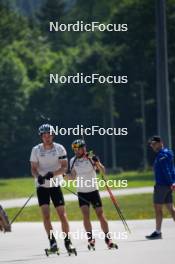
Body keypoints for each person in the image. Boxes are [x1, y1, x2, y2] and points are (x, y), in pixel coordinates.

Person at [30, 124, 75, 253]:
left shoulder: (59, 148)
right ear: (41, 137)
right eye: (44, 135)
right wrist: (38, 176)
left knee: (62, 215)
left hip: (55, 184)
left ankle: (67, 241)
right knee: (46, 215)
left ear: (52, 135)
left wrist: (52, 174)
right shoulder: (36, 150)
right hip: (42, 186)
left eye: (49, 135)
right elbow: (33, 169)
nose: (47, 137)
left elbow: (64, 167)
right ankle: (52, 242)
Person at [68, 139, 118, 249]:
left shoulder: (91, 157)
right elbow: (72, 177)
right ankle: (91, 239)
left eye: (78, 149)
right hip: (82, 192)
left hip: (93, 191)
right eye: (74, 149)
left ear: (83, 148)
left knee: (100, 214)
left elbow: (103, 171)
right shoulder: (73, 160)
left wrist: (97, 162)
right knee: (86, 216)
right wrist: (63, 176)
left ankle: (108, 238)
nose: (76, 151)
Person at [146, 135, 175, 239]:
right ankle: (158, 232)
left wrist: (171, 182)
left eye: (154, 144)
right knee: (171, 208)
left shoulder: (161, 155)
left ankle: (158, 232)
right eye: (151, 144)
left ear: (160, 143)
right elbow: (172, 168)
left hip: (162, 185)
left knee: (158, 209)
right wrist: (173, 182)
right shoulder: (169, 152)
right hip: (168, 185)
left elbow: (166, 170)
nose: (152, 146)